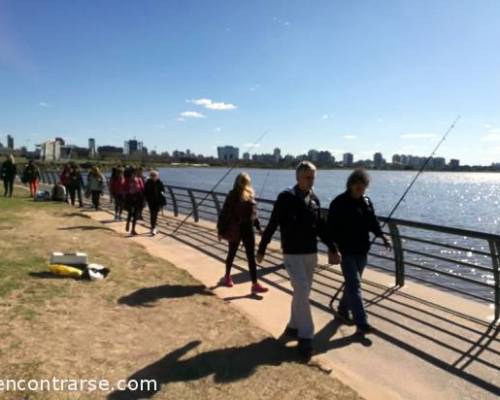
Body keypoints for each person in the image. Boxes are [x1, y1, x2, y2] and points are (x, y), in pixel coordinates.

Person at [257, 161, 340, 360]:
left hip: (311, 254)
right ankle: (306, 337)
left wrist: (332, 247)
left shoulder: (315, 200)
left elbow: (320, 227)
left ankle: (293, 326)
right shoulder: (285, 197)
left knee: (302, 293)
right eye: (307, 177)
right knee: (302, 289)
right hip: (292, 253)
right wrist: (262, 248)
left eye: (313, 177)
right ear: (297, 178)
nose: (311, 181)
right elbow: (273, 222)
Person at [327, 168, 391, 335]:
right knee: (355, 285)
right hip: (346, 251)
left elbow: (373, 223)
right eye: (357, 187)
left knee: (352, 284)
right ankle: (362, 323)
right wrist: (333, 249)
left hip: (362, 250)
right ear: (350, 185)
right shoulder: (339, 202)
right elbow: (330, 228)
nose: (360, 190)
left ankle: (342, 308)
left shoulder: (367, 202)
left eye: (363, 188)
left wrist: (383, 237)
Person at [217, 173, 268, 295]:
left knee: (251, 257)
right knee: (232, 253)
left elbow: (253, 215)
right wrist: (221, 230)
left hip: (248, 229)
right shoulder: (232, 195)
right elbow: (225, 214)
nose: (245, 184)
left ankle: (255, 284)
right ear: (239, 182)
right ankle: (227, 276)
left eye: (246, 181)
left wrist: (258, 227)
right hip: (236, 228)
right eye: (244, 181)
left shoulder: (250, 195)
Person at [144, 170, 166, 235]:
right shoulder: (148, 183)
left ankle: (153, 227)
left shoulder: (160, 183)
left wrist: (162, 199)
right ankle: (153, 228)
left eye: (155, 176)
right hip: (151, 201)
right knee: (153, 214)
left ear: (157, 176)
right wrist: (145, 199)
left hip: (158, 201)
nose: (153, 177)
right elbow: (145, 192)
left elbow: (162, 191)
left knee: (155, 214)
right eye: (152, 176)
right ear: (150, 176)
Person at [124, 167, 144, 235]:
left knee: (132, 213)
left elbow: (125, 187)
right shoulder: (138, 179)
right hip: (135, 198)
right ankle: (132, 228)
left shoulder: (129, 179)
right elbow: (142, 188)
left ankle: (130, 227)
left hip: (132, 197)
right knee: (134, 213)